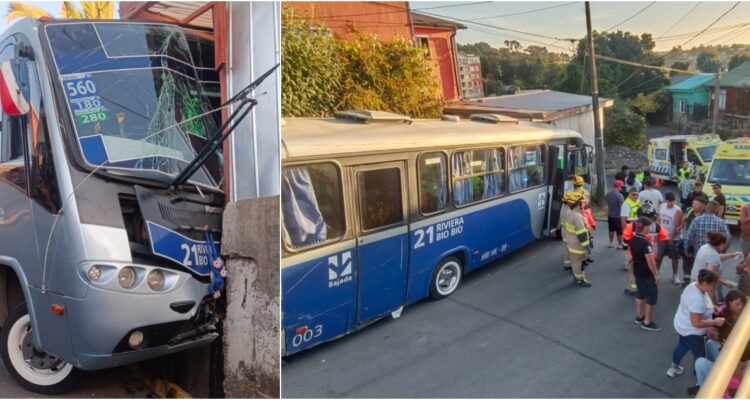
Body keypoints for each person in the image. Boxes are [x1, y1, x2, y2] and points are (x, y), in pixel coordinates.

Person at [689, 290, 750, 397]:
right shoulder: (722, 314)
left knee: (700, 362)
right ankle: (704, 384)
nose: (740, 307)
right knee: (709, 344)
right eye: (737, 304)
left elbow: (741, 366)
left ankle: (708, 386)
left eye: (742, 304)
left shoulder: (745, 321)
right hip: (726, 353)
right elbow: (713, 333)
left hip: (736, 367)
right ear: (729, 303)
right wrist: (714, 328)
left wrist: (741, 367)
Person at [667, 269, 725, 379]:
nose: (713, 288)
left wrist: (713, 307)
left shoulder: (693, 285)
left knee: (682, 346)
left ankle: (673, 369)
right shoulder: (697, 301)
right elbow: (696, 323)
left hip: (683, 326)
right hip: (693, 333)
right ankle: (699, 378)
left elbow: (701, 304)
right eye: (712, 286)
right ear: (704, 283)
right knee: (700, 357)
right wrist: (715, 322)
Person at [623, 203, 667, 295]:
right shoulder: (657, 227)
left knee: (633, 272)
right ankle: (649, 288)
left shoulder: (633, 226)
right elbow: (663, 238)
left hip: (634, 255)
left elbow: (626, 240)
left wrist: (626, 250)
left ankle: (634, 289)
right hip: (651, 254)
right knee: (650, 271)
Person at [690, 231, 743, 303]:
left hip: (695, 281)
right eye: (725, 244)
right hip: (705, 285)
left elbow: (717, 258)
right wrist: (725, 283)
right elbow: (710, 275)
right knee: (710, 305)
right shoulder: (713, 255)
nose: (725, 246)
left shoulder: (705, 247)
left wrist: (732, 255)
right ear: (721, 244)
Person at [630, 216, 661, 331]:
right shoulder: (646, 243)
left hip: (637, 272)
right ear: (644, 227)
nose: (650, 228)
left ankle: (639, 317)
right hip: (647, 275)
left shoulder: (633, 239)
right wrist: (656, 274)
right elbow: (650, 261)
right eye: (649, 226)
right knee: (651, 297)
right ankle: (647, 322)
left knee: (640, 293)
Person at [562, 191, 592, 286]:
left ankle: (578, 277)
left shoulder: (569, 212)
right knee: (578, 262)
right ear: (577, 204)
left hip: (572, 243)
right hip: (578, 245)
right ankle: (579, 280)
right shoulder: (577, 216)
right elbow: (581, 233)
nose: (584, 203)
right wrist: (587, 245)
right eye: (582, 202)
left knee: (576, 261)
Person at [681, 195, 709, 287]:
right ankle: (686, 279)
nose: (693, 205)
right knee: (687, 261)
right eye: (693, 203)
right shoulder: (690, 211)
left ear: (703, 206)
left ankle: (699, 280)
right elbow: (684, 219)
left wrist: (696, 239)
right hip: (689, 241)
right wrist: (680, 228)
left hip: (700, 243)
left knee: (699, 262)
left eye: (696, 204)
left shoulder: (705, 215)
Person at [658, 192, 683, 285]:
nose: (671, 203)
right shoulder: (662, 206)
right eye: (669, 201)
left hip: (674, 238)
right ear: (666, 200)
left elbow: (677, 226)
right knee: (658, 256)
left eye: (673, 201)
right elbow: (659, 219)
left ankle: (675, 275)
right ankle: (657, 272)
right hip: (662, 236)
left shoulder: (677, 210)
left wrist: (671, 239)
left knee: (674, 257)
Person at [607, 180, 625, 248]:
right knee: (619, 231)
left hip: (610, 215)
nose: (622, 188)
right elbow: (622, 206)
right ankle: (620, 244)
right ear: (618, 186)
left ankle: (611, 243)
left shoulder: (608, 194)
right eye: (621, 186)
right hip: (618, 216)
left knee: (611, 230)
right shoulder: (619, 196)